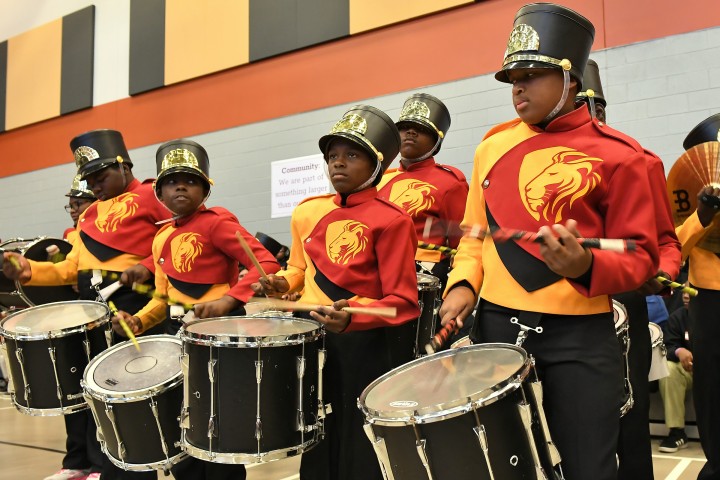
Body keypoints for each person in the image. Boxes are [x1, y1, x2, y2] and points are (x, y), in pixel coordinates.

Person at [438, 4, 660, 479]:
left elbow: (644, 256)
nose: (518, 87)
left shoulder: (623, 157)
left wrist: (584, 267)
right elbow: (474, 237)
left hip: (580, 336)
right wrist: (462, 285)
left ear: (571, 79)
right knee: (501, 464)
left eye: (533, 74)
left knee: (588, 466)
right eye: (512, 76)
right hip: (496, 325)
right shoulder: (491, 148)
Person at [251, 105, 420, 480]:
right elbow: (298, 268)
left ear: (377, 164)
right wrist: (283, 282)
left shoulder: (392, 220)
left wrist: (353, 316)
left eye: (352, 155)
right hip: (314, 338)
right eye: (332, 157)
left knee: (357, 437)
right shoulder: (310, 213)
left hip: (365, 346)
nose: (337, 164)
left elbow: (404, 303)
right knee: (316, 432)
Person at [2, 128, 169, 480]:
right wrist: (29, 269)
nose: (94, 184)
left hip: (136, 312)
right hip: (93, 315)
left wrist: (147, 267)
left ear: (124, 166)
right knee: (101, 402)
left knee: (133, 406)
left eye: (100, 175)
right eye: (88, 178)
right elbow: (70, 268)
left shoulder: (152, 196)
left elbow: (176, 245)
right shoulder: (90, 216)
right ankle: (106, 469)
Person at [111, 138, 279, 478]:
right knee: (185, 422)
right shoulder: (160, 238)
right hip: (180, 339)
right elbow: (162, 298)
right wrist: (139, 322)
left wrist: (228, 300)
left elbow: (266, 264)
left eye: (190, 180)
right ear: (159, 195)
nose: (181, 187)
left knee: (221, 425)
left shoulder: (218, 223)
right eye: (171, 182)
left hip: (222, 338)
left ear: (205, 189)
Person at [578, 59, 681, 480]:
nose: (586, 115)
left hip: (624, 302)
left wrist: (662, 274)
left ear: (603, 111)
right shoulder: (526, 159)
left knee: (631, 420)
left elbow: (666, 243)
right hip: (557, 307)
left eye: (593, 107)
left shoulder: (640, 159)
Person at [377, 93, 468, 288]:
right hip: (376, 268)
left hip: (424, 275)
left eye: (420, 129)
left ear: (436, 140)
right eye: (403, 128)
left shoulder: (450, 182)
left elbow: (461, 244)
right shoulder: (380, 180)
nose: (410, 132)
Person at [675, 113, 720, 480]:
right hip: (709, 302)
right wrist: (701, 215)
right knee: (711, 390)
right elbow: (675, 249)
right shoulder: (689, 198)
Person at [658, 287, 692, 453]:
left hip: (712, 368)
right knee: (669, 370)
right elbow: (667, 347)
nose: (686, 295)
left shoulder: (713, 315)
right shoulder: (677, 317)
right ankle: (677, 433)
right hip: (689, 371)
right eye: (684, 291)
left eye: (691, 291)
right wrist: (679, 351)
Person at [64, 174, 96, 243]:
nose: (72, 211)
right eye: (71, 206)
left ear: (95, 202)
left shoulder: (107, 229)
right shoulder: (69, 233)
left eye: (78, 204)